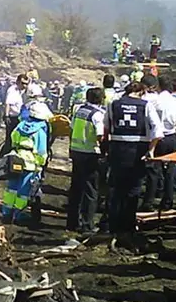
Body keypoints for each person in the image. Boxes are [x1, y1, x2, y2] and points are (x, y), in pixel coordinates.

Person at [105, 80, 164, 244]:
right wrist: (151, 149)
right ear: (141, 92)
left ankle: (114, 225)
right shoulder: (146, 105)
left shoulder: (112, 104)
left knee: (117, 188)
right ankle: (128, 225)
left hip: (117, 149)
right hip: (137, 150)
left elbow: (106, 127)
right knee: (134, 188)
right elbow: (158, 131)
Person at [2, 101, 52, 222]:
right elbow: (41, 151)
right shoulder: (40, 130)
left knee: (12, 187)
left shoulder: (21, 124)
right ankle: (18, 214)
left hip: (15, 159)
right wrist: (40, 166)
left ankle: (6, 212)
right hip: (29, 163)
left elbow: (13, 138)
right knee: (24, 190)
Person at [142, 75, 176, 211]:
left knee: (153, 170)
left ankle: (148, 201)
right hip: (171, 136)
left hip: (156, 137)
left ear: (158, 86)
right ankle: (168, 200)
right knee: (170, 169)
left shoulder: (154, 101)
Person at [68, 88, 105, 233]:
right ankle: (87, 224)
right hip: (90, 153)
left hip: (77, 151)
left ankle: (71, 222)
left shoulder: (79, 111)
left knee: (76, 187)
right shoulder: (98, 115)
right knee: (90, 189)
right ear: (101, 99)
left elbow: (71, 130)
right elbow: (100, 135)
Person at [4, 74, 29, 151]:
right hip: (12, 118)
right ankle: (3, 160)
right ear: (17, 82)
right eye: (23, 83)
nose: (24, 86)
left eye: (26, 84)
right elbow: (8, 103)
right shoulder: (12, 90)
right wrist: (6, 116)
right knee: (10, 140)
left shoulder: (20, 91)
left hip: (18, 117)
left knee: (16, 139)